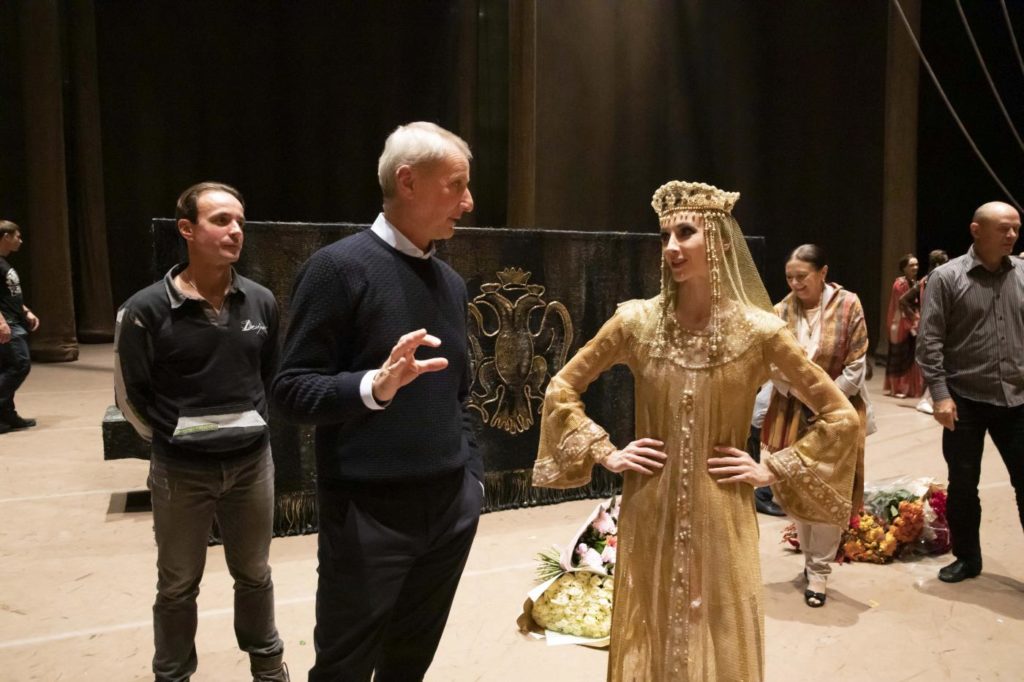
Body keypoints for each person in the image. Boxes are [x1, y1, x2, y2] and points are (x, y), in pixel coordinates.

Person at [532, 181, 859, 681]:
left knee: (720, 620)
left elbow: (841, 416)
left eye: (686, 232)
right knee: (653, 614)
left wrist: (771, 465)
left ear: (721, 242)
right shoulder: (636, 322)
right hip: (649, 499)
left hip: (722, 502)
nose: (671, 247)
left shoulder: (760, 332)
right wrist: (606, 452)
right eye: (665, 235)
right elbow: (561, 387)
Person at [271, 122, 482, 682]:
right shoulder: (338, 269)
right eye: (455, 186)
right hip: (368, 514)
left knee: (408, 663)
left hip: (449, 509)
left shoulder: (450, 283)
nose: (468, 202)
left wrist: (471, 481)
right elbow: (291, 389)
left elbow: (459, 394)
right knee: (343, 666)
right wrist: (375, 387)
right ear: (408, 182)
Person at [114, 182, 289, 682]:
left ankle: (268, 666)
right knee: (177, 585)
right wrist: (170, 440)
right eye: (220, 220)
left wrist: (251, 430)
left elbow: (270, 376)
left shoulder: (261, 301)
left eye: (239, 221)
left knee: (255, 575)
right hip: (180, 471)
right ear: (186, 229)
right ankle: (172, 675)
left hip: (252, 464)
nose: (235, 230)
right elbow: (132, 394)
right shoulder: (145, 310)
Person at [917, 200, 1024, 584]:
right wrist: (941, 396)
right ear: (977, 231)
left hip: (1017, 399)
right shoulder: (947, 278)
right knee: (963, 485)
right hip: (964, 401)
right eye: (1003, 228)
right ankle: (967, 558)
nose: (1011, 235)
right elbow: (929, 342)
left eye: (1015, 228)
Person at [761, 244, 872, 607]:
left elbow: (856, 363)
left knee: (827, 492)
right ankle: (810, 562)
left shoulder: (849, 305)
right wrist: (802, 396)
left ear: (823, 273)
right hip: (791, 410)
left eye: (802, 277)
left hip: (838, 414)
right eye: (789, 277)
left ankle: (820, 572)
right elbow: (773, 364)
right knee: (795, 490)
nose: (794, 284)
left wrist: (828, 404)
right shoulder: (780, 311)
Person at [0, 220, 40, 434]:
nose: (20, 241)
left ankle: (7, 415)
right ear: (5, 236)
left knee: (8, 368)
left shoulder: (3, 262)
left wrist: (26, 311)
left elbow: (8, 294)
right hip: (8, 324)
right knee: (19, 365)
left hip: (14, 320)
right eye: (17, 236)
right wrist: (1, 323)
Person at [899, 249, 950, 414]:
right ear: (937, 264)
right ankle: (925, 399)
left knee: (940, 362)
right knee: (935, 362)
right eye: (945, 263)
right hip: (931, 327)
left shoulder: (927, 280)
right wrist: (915, 317)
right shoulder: (929, 280)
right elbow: (903, 300)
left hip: (937, 325)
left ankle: (931, 397)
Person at [883, 253, 925, 398]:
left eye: (916, 264)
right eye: (911, 265)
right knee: (901, 355)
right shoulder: (899, 284)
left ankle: (910, 388)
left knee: (911, 354)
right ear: (904, 268)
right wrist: (914, 319)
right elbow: (901, 304)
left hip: (911, 322)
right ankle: (899, 388)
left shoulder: (914, 282)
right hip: (900, 323)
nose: (915, 267)